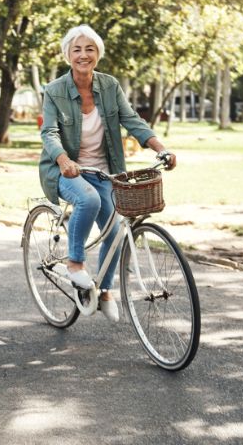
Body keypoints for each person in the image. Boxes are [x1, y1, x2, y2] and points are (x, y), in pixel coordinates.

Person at [39, 24, 176, 322]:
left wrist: (160, 148)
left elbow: (132, 120)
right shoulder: (54, 91)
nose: (83, 55)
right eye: (77, 49)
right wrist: (63, 159)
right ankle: (75, 264)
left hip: (104, 172)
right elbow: (49, 132)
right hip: (67, 170)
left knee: (115, 229)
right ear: (67, 55)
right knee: (88, 201)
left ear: (97, 54)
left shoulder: (110, 86)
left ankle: (105, 291)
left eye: (89, 49)